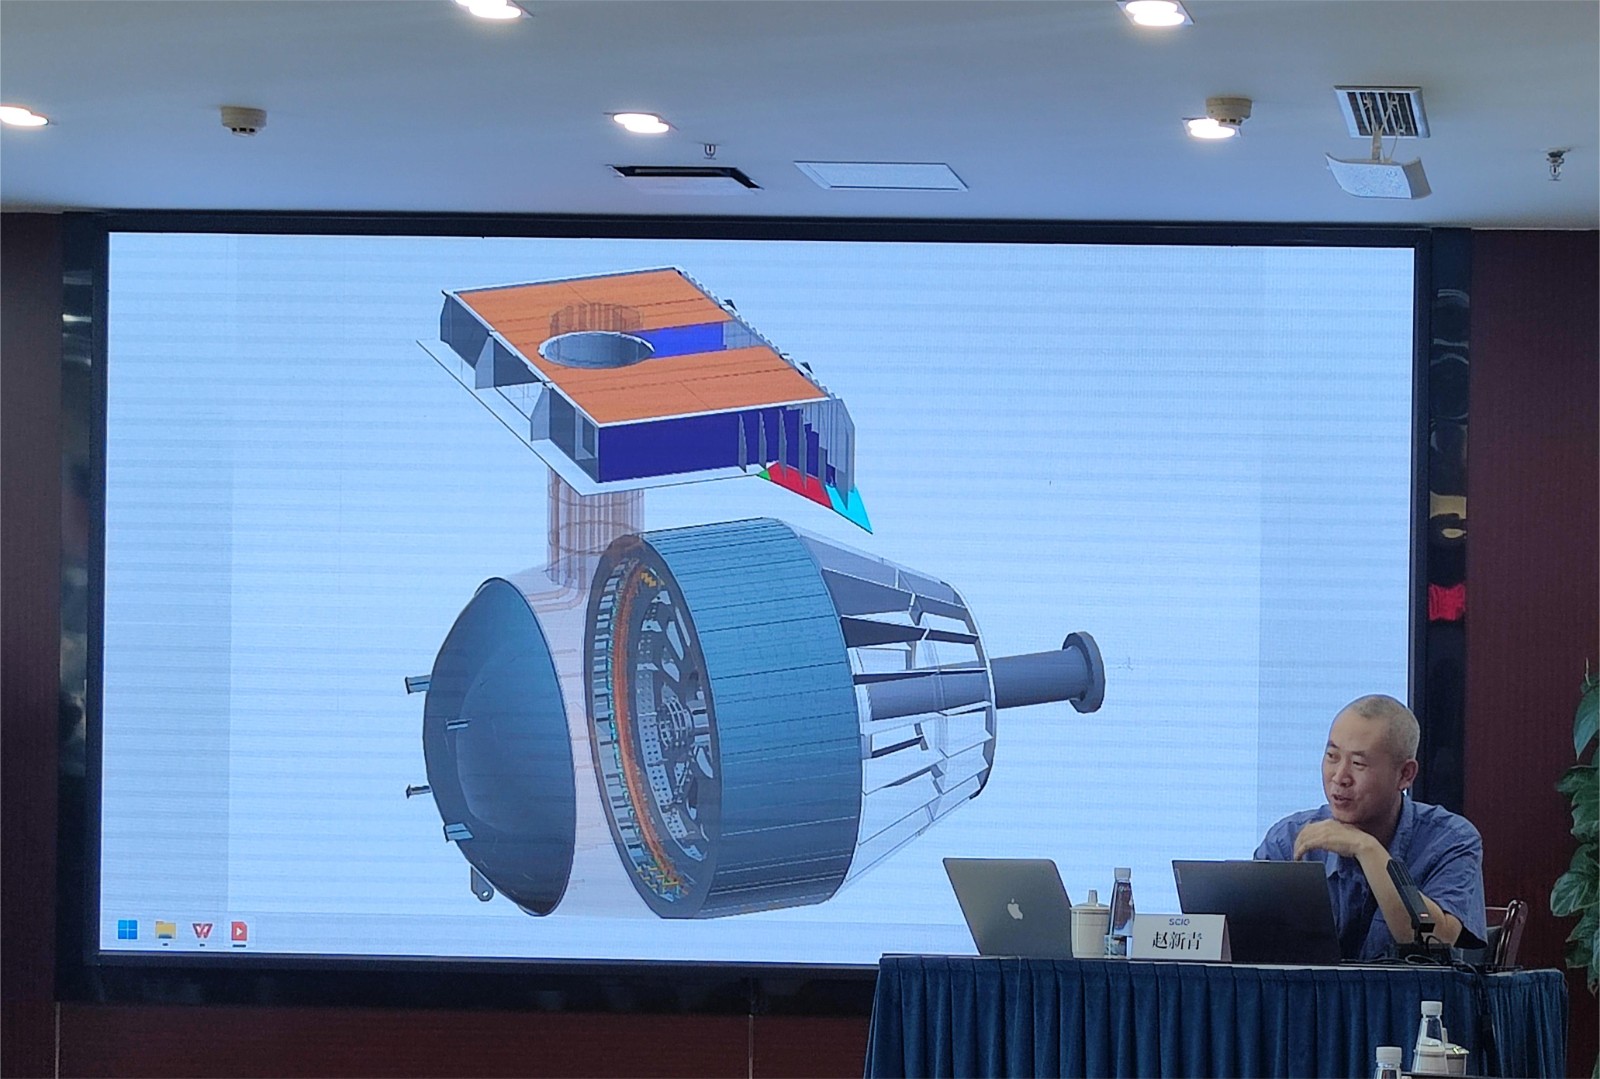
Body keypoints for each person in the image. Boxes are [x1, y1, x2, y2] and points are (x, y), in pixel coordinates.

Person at [1256, 694, 1486, 960]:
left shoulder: (1451, 840)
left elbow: (1435, 942)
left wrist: (1367, 849)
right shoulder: (1288, 838)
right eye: (1332, 756)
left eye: (1358, 764)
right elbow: (1248, 944)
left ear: (1405, 775)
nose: (1340, 777)